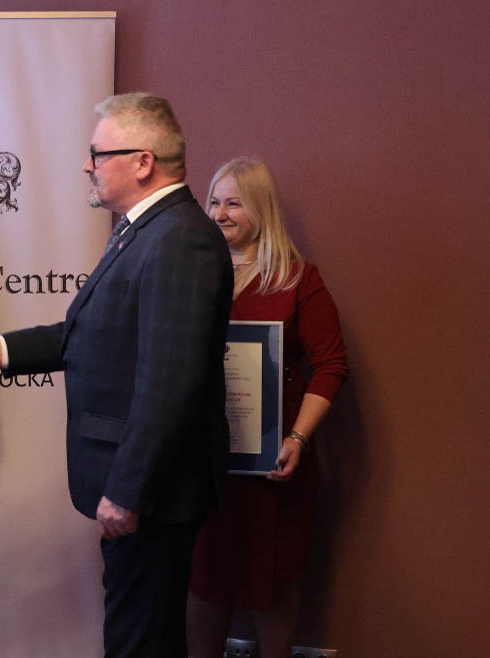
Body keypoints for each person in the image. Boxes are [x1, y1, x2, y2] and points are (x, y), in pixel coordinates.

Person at [0, 92, 233, 657]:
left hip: (153, 493)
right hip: (142, 487)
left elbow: (171, 381)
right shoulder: (143, 230)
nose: (86, 165)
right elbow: (86, 333)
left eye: (97, 153)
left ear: (143, 162)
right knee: (142, 635)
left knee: (139, 641)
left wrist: (128, 489)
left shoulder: (179, 239)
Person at [187, 157, 349, 658]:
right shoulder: (191, 274)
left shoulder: (298, 279)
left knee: (275, 580)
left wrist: (297, 438)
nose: (219, 213)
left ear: (262, 209)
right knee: (203, 579)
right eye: (214, 201)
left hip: (274, 464)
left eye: (234, 203)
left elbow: (331, 365)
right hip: (205, 462)